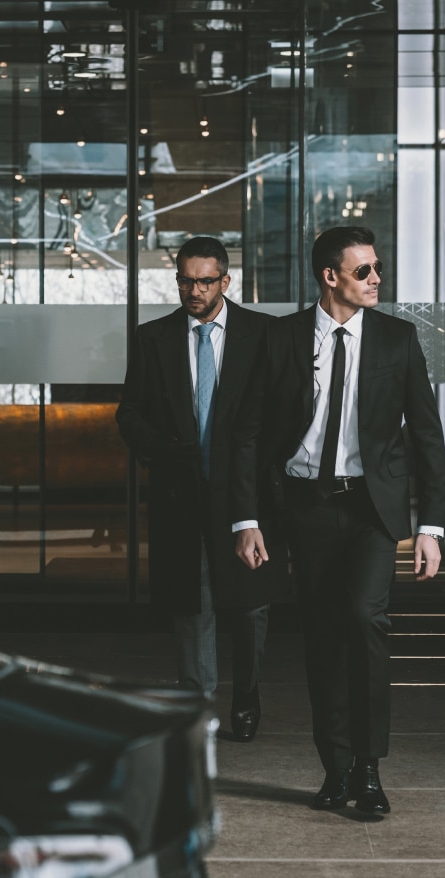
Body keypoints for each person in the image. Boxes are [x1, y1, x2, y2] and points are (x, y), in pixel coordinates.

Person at [238, 226, 445, 813]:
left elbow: (428, 437)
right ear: (331, 277)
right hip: (305, 506)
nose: (377, 279)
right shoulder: (281, 339)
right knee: (323, 636)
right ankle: (335, 769)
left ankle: (370, 768)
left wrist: (432, 526)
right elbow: (249, 436)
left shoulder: (397, 340)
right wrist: (247, 519)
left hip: (372, 510)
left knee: (363, 617)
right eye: (364, 271)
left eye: (378, 267)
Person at [117, 236, 285, 741]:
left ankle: (248, 694)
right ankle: (198, 706)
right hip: (181, 491)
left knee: (252, 603)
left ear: (225, 282)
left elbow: (281, 415)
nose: (194, 289)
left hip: (247, 491)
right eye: (186, 280)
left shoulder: (264, 334)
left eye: (205, 280)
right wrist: (165, 449)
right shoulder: (154, 338)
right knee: (194, 601)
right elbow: (129, 413)